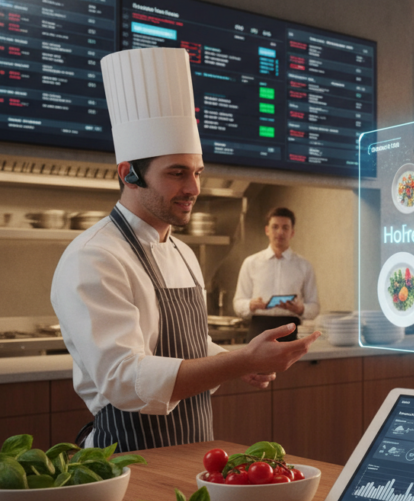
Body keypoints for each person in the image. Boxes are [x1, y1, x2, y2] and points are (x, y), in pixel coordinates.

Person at [50, 47, 319, 452]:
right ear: (129, 173)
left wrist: (237, 361)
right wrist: (242, 361)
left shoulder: (182, 253)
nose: (193, 188)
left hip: (193, 452)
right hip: (126, 459)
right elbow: (125, 380)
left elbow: (190, 347)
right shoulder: (94, 256)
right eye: (177, 173)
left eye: (197, 172)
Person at [233, 207, 320, 342]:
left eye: (285, 228)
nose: (280, 232)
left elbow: (314, 306)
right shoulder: (251, 263)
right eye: (275, 227)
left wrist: (300, 309)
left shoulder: (304, 265)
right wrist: (251, 304)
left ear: (292, 232)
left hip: (291, 329)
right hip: (259, 328)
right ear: (267, 230)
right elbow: (238, 303)